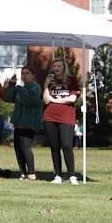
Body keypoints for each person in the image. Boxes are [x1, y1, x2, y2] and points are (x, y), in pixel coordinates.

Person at [42, 57, 80, 185]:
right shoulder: (49, 81)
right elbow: (46, 100)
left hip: (66, 117)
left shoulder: (71, 80)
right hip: (49, 117)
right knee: (54, 147)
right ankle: (58, 175)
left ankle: (72, 175)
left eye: (59, 66)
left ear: (64, 67)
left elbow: (73, 98)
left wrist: (56, 100)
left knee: (67, 146)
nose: (56, 68)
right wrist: (46, 85)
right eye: (54, 66)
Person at [6, 66, 44, 180]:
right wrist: (12, 84)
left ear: (33, 75)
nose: (24, 75)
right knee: (18, 148)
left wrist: (18, 88)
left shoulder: (35, 87)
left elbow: (31, 101)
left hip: (29, 123)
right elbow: (9, 97)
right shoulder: (22, 88)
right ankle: (22, 172)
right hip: (19, 123)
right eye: (22, 73)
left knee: (25, 146)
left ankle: (31, 172)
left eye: (27, 73)